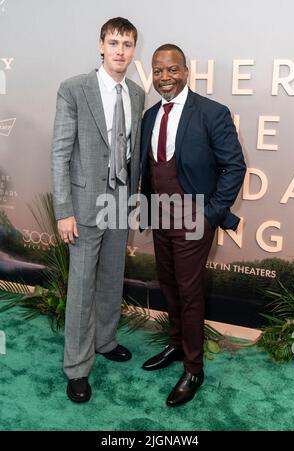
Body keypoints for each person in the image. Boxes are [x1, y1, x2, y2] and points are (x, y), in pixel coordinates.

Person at [140, 44, 246, 407]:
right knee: (168, 285)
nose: (164, 77)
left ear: (186, 72)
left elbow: (235, 167)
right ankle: (174, 345)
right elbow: (149, 170)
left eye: (171, 70)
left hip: (194, 220)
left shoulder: (211, 113)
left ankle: (193, 368)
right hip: (160, 216)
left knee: (189, 293)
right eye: (157, 71)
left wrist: (211, 214)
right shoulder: (150, 116)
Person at [52, 17, 145, 403]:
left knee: (111, 279)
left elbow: (134, 154)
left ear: (133, 50)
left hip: (120, 203)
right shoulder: (74, 89)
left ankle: (105, 340)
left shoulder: (138, 93)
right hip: (84, 204)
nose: (120, 50)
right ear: (101, 46)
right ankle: (76, 367)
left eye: (127, 44)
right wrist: (64, 210)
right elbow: (60, 152)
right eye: (114, 42)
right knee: (81, 287)